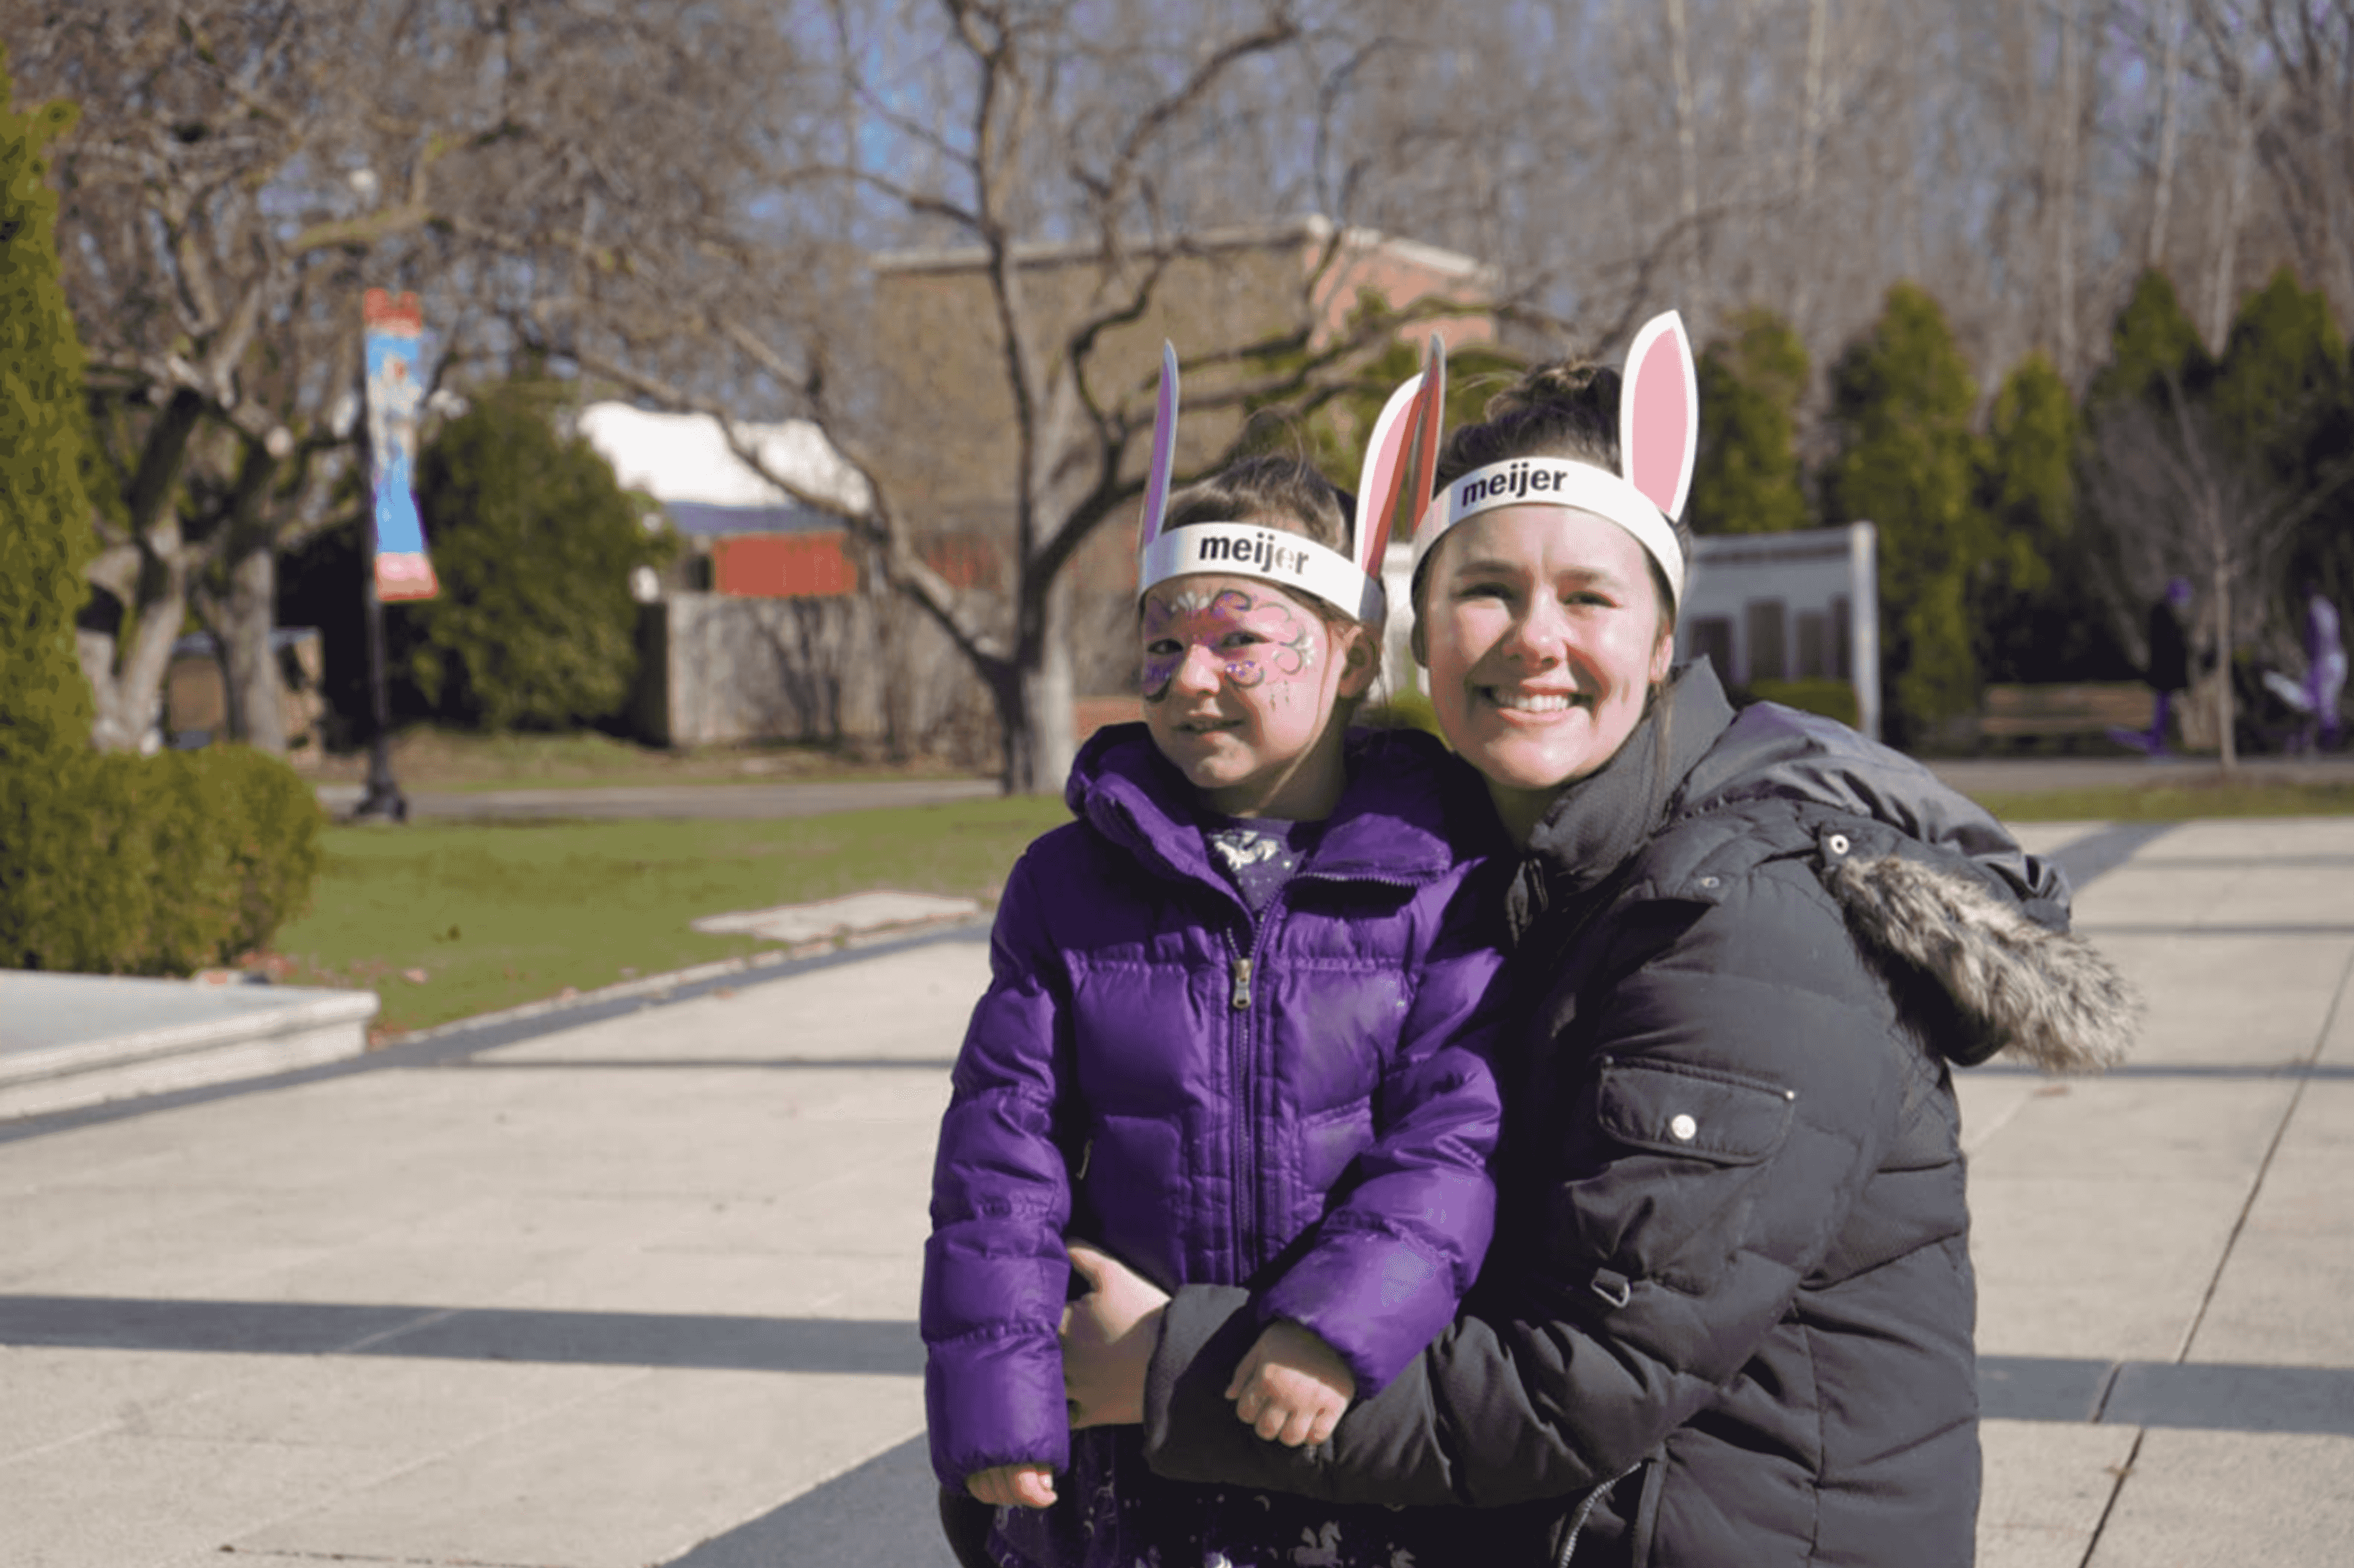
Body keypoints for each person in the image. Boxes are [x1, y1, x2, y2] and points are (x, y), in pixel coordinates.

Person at [1061, 314, 2139, 1567]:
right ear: (1420, 634)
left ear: (1662, 637)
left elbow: (1582, 1375)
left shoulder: (1737, 925)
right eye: (1485, 590)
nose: (1535, 639)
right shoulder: (1519, 871)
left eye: (1589, 595)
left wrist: (1171, 1371)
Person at [923, 348, 1509, 1568]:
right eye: (1162, 641)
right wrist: (1003, 1401)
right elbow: (1000, 1161)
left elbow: (1455, 1138)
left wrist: (1335, 1328)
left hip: (1348, 1438)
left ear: (1350, 655)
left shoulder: (1440, 878)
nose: (1189, 679)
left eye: (1240, 642)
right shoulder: (1067, 885)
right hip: (1123, 1463)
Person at [2125, 576, 2193, 755]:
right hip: (2166, 670)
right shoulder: (2163, 614)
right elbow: (2169, 644)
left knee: (2165, 705)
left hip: (2167, 670)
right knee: (2164, 705)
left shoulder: (2166, 613)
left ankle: (2160, 739)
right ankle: (2158, 740)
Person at [2301, 578, 2344, 752]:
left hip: (2326, 659)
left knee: (2320, 704)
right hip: (2338, 658)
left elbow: (2314, 636)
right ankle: (2322, 742)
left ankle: (2330, 743)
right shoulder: (2328, 607)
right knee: (2328, 703)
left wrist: (2311, 657)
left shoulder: (2314, 609)